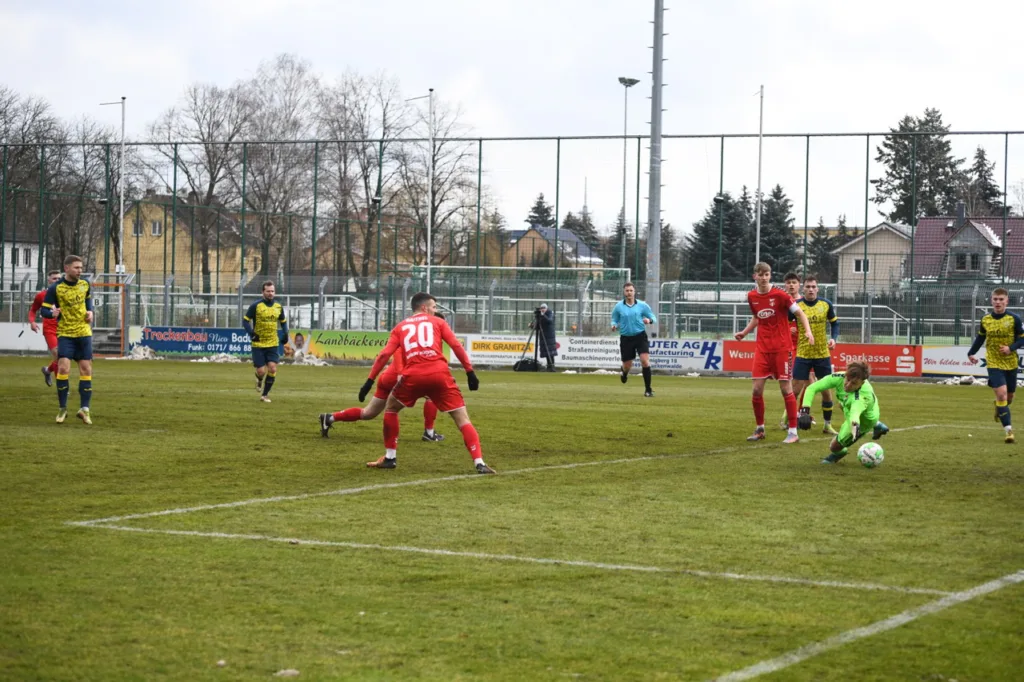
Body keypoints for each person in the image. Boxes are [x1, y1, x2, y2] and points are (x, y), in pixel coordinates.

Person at [361, 292, 494, 474]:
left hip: (413, 375)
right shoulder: (438, 322)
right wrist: (470, 371)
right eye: (433, 307)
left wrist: (369, 381)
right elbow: (456, 345)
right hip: (439, 374)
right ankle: (479, 462)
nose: (435, 310)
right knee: (462, 418)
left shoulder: (400, 327)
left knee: (391, 408)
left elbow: (384, 355)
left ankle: (390, 457)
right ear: (424, 307)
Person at [319, 313, 447, 442]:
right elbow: (398, 353)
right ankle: (429, 433)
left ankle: (330, 417)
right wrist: (400, 374)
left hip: (387, 377)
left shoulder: (422, 337)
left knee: (368, 413)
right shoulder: (418, 337)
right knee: (431, 394)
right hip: (397, 378)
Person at [735, 262, 813, 444]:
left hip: (782, 349)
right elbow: (757, 317)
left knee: (785, 388)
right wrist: (744, 332)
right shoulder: (752, 296)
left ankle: (793, 432)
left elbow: (800, 313)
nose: (763, 278)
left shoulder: (780, 295)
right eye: (760, 274)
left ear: (770, 276)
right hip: (762, 349)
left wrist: (807, 331)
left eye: (767, 274)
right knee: (756, 389)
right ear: (754, 276)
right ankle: (760, 429)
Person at [798, 361, 889, 464]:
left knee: (834, 446)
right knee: (842, 404)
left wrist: (855, 426)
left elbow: (855, 414)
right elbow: (812, 388)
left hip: (865, 420)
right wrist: (805, 411)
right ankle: (877, 424)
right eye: (848, 379)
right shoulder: (840, 376)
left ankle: (839, 453)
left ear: (862, 383)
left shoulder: (861, 397)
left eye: (853, 383)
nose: (848, 385)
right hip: (868, 409)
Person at [40, 255, 94, 424]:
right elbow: (44, 311)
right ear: (67, 268)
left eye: (81, 267)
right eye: (76, 267)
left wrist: (90, 312)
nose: (80, 270)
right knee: (63, 369)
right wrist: (52, 313)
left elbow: (88, 301)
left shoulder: (85, 284)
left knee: (86, 370)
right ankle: (62, 409)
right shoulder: (56, 288)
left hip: (84, 333)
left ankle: (84, 409)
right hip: (65, 334)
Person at [967, 287, 1024, 444]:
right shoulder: (986, 320)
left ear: (1006, 301)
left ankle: (999, 408)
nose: (998, 302)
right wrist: (971, 353)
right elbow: (980, 338)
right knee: (1002, 395)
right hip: (993, 361)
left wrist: (1010, 348)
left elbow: (1022, 339)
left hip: (1011, 362)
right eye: (995, 299)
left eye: (1001, 299)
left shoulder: (1014, 319)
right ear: (991, 301)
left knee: (1009, 398)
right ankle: (1009, 432)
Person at [792, 275, 840, 435]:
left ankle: (827, 425)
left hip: (822, 354)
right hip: (803, 353)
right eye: (808, 287)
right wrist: (789, 329)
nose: (811, 289)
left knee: (826, 390)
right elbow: (784, 322)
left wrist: (833, 338)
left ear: (817, 289)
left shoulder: (826, 304)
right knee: (795, 390)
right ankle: (790, 422)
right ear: (803, 289)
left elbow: (834, 323)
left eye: (813, 286)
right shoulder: (796, 305)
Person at [243, 280, 288, 403]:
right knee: (261, 371)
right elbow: (245, 321)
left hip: (272, 342)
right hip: (258, 344)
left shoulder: (278, 306)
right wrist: (252, 333)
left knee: (273, 369)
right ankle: (259, 379)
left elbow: (283, 322)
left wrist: (286, 333)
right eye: (268, 291)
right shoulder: (256, 306)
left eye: (272, 291)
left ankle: (265, 395)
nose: (270, 293)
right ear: (263, 292)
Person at [611, 282, 657, 397]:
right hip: (626, 338)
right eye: (627, 290)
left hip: (640, 336)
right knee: (627, 365)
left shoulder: (642, 305)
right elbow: (614, 319)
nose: (629, 293)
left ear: (634, 292)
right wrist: (613, 325)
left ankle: (648, 390)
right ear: (624, 292)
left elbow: (653, 317)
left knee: (645, 361)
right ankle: (624, 373)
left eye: (631, 290)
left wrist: (649, 321)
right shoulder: (618, 307)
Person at [29, 270, 62, 386]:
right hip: (50, 330)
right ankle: (61, 386)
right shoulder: (41, 295)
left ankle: (47, 370)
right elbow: (33, 310)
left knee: (63, 358)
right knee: (58, 355)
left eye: (59, 278)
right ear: (48, 281)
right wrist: (32, 322)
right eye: (54, 278)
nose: (57, 280)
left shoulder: (65, 294)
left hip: (64, 329)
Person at [531, 303, 558, 371]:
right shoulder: (541, 315)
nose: (542, 310)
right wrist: (532, 326)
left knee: (550, 352)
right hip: (543, 336)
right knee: (546, 352)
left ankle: (551, 366)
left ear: (546, 308)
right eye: (541, 308)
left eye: (544, 308)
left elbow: (549, 321)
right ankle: (549, 366)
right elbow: (539, 327)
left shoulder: (550, 313)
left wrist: (543, 315)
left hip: (549, 336)